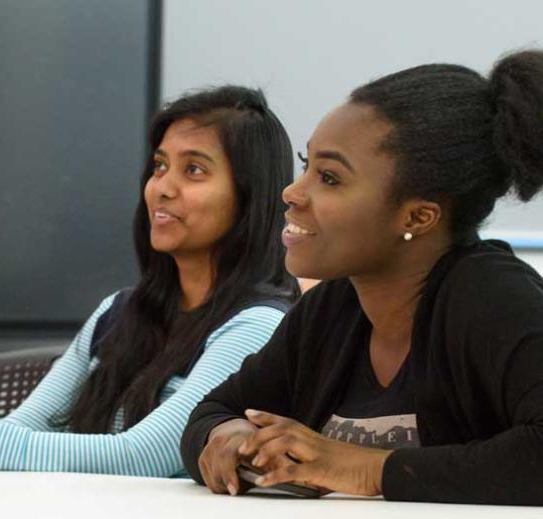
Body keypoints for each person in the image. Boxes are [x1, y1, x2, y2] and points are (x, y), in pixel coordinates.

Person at [0, 86, 300, 476]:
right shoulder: (118, 311)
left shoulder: (258, 324)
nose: (163, 186)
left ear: (249, 196)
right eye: (159, 166)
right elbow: (25, 427)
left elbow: (148, 454)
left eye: (193, 170)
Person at [182, 50, 543, 505]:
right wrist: (228, 437)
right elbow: (214, 412)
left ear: (418, 215)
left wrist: (362, 468)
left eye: (330, 178)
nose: (292, 193)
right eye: (306, 164)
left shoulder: (493, 298)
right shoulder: (331, 308)